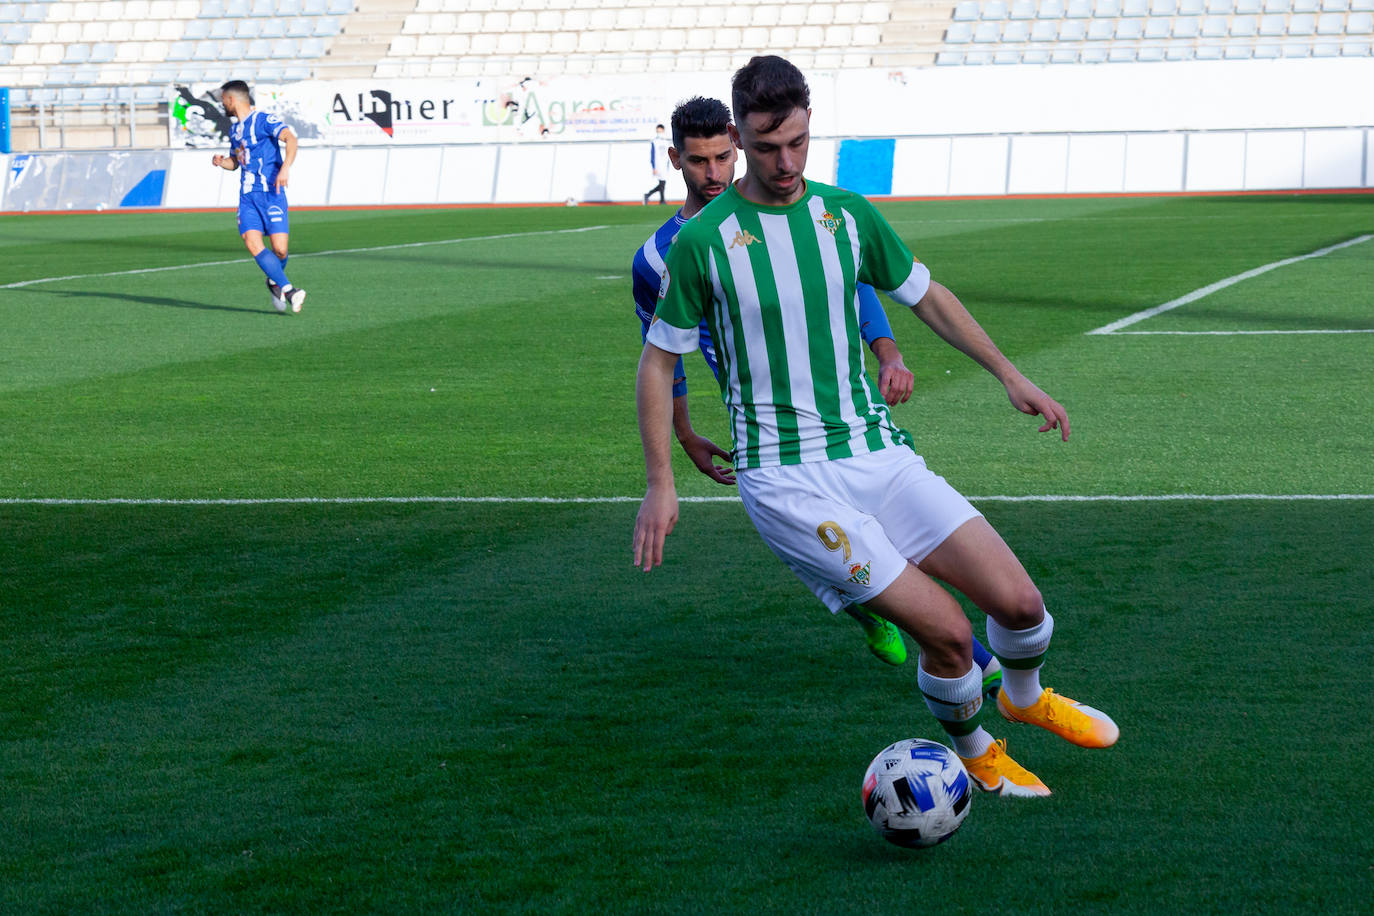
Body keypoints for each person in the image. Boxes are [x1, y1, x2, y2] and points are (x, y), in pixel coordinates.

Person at [632, 56, 1118, 799]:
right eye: (765, 147)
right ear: (740, 139)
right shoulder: (702, 245)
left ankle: (1024, 696)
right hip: (789, 481)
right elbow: (657, 363)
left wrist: (1011, 375)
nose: (785, 162)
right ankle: (977, 748)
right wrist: (661, 482)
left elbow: (927, 296)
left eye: (797, 142)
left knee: (1021, 607)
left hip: (877, 454)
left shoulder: (846, 214)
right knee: (950, 636)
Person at [631, 96, 1004, 694]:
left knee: (891, 537)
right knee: (845, 552)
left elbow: (849, 281)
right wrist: (683, 437)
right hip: (768, 431)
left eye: (723, 157)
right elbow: (662, 359)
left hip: (845, 420)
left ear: (736, 147)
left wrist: (887, 350)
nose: (714, 173)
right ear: (676, 160)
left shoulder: (811, 213)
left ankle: (955, 645)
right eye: (699, 162)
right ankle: (874, 612)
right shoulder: (663, 257)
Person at [211, 80, 306, 314]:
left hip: (272, 194)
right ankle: (289, 289)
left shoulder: (264, 120)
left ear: (231, 100)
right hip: (247, 198)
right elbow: (236, 162)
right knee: (253, 244)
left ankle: (274, 280)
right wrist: (222, 162)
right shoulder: (235, 130)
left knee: (280, 250)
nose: (222, 104)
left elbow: (290, 139)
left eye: (223, 99)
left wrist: (285, 168)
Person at [642, 124, 669, 205]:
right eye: (657, 131)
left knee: (662, 183)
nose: (659, 133)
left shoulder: (666, 142)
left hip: (664, 165)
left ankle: (649, 195)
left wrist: (668, 166)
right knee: (662, 183)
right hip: (658, 165)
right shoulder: (654, 142)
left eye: (660, 131)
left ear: (663, 131)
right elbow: (652, 155)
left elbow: (667, 155)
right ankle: (662, 200)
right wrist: (653, 167)